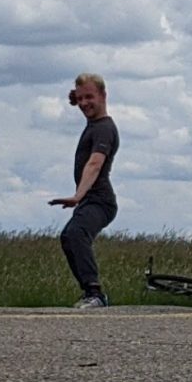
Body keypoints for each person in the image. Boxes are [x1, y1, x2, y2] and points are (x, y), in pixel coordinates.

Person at [52, 73, 121, 309]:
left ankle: (95, 294)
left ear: (103, 95)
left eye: (89, 97)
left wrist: (78, 196)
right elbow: (82, 99)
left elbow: (95, 163)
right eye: (79, 99)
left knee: (76, 233)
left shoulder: (104, 129)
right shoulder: (94, 125)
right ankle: (88, 291)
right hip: (90, 200)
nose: (84, 103)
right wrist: (78, 97)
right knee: (68, 237)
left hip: (100, 201)